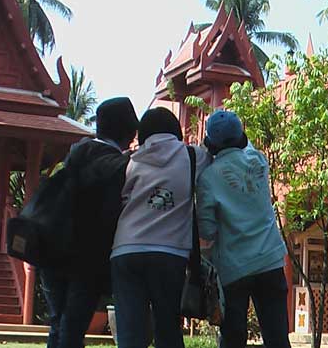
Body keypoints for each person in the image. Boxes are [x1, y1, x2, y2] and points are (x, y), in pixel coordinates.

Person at [41, 97, 138, 348]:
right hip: (86, 257)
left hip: (50, 249)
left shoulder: (74, 156)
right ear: (129, 132)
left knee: (58, 325)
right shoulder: (119, 167)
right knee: (72, 329)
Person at [110, 107, 210, 348]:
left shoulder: (130, 161)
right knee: (167, 328)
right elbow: (215, 154)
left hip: (126, 249)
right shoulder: (193, 157)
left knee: (130, 334)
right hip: (169, 252)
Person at [196, 110, 290, 348]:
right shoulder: (259, 161)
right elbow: (247, 146)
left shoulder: (208, 178)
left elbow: (206, 230)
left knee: (233, 338)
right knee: (278, 337)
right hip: (270, 259)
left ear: (210, 143)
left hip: (233, 267)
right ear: (241, 137)